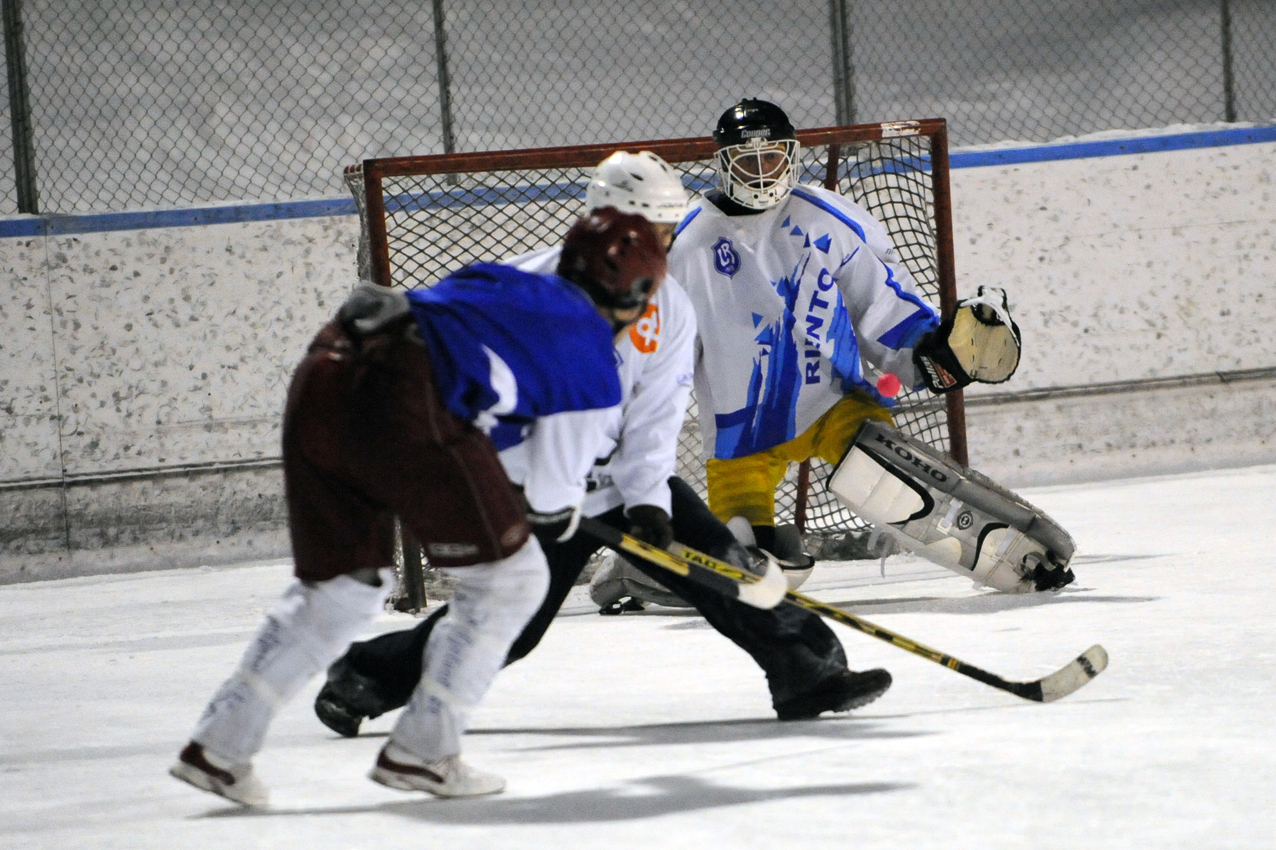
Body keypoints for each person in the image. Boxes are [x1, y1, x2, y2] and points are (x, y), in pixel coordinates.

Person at [312, 151, 893, 742]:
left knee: (722, 563)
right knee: (514, 627)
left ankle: (806, 673)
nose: (659, 244)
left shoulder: (668, 307)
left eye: (665, 229)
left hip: (614, 477)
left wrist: (645, 499)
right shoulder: (528, 289)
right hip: (527, 484)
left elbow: (655, 414)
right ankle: (365, 674)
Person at [168, 207, 668, 805]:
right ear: (635, 295)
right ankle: (425, 751)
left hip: (326, 368)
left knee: (342, 590)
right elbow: (555, 497)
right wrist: (545, 510)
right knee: (514, 581)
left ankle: (219, 745)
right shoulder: (591, 362)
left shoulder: (509, 279)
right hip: (405, 397)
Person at [667, 98, 1074, 593]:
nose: (760, 173)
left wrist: (926, 350)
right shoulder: (685, 245)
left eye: (771, 157)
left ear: (790, 156)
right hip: (742, 430)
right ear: (723, 163)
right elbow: (664, 350)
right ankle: (640, 570)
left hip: (834, 403)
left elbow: (879, 301)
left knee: (896, 485)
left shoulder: (824, 219)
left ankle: (1019, 556)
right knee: (751, 558)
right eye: (746, 161)